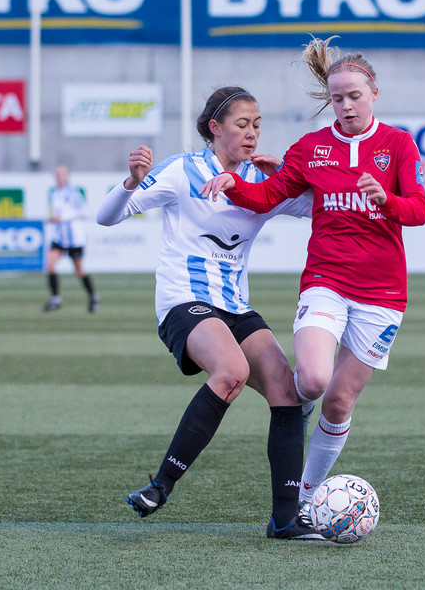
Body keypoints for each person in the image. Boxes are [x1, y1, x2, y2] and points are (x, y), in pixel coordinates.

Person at [201, 38, 425, 525]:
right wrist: (235, 184)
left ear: (373, 93)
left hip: (383, 294)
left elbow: (418, 211)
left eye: (355, 96)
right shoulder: (311, 148)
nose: (346, 106)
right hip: (326, 280)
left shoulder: (398, 144)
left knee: (340, 400)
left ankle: (303, 498)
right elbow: (269, 196)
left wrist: (385, 200)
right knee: (315, 380)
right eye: (337, 98)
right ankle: (298, 406)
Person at [96, 86, 319, 540]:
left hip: (234, 305)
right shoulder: (182, 170)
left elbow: (320, 209)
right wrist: (131, 181)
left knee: (288, 391)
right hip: (184, 300)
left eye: (257, 125)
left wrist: (288, 176)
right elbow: (107, 216)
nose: (252, 134)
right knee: (231, 370)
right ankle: (160, 485)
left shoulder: (261, 180)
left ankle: (284, 519)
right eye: (242, 124)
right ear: (215, 128)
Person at [43, 165, 99, 313]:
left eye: (62, 174)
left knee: (79, 271)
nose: (59, 177)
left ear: (67, 176)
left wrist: (63, 218)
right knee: (50, 265)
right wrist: (53, 219)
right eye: (57, 174)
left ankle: (93, 296)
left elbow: (84, 211)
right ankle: (55, 298)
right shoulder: (55, 193)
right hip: (59, 238)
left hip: (74, 239)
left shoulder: (73, 193)